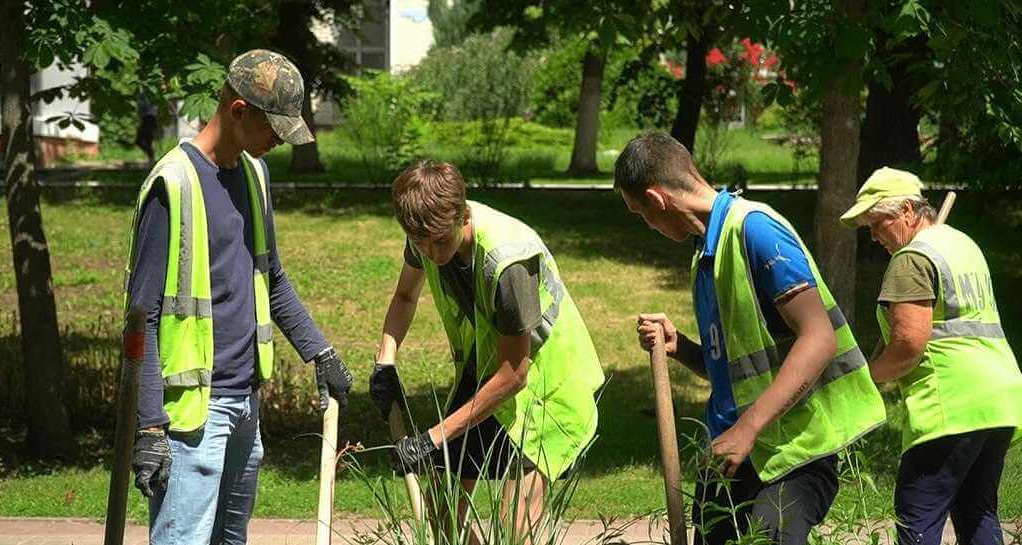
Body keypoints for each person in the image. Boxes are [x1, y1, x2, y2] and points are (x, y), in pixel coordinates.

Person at [123, 49, 353, 545]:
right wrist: (149, 428)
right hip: (192, 417)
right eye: (273, 128)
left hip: (246, 404)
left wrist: (320, 351)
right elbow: (143, 318)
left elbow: (270, 278)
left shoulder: (255, 175)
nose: (278, 142)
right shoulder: (173, 184)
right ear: (239, 111)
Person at [616, 131, 886, 545]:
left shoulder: (756, 231)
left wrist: (749, 428)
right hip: (731, 454)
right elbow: (738, 370)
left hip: (790, 453)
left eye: (640, 213)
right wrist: (681, 348)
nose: (646, 224)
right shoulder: (708, 252)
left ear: (657, 199)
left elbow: (819, 338)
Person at [369, 161, 604, 543]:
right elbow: (405, 295)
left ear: (463, 215)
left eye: (440, 242)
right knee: (442, 510)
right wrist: (386, 361)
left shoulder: (508, 261)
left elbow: (515, 375)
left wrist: (433, 438)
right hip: (487, 372)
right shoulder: (426, 234)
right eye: (420, 243)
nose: (430, 253)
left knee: (516, 524)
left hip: (546, 387)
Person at [840, 167, 1022, 545]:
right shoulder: (961, 243)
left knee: (917, 517)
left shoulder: (910, 259)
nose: (873, 236)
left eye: (877, 222)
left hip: (949, 405)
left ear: (907, 210)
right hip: (998, 399)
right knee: (977, 513)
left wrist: (863, 377)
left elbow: (907, 346)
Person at [135, 94, 159, 165]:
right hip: (145, 119)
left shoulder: (150, 95)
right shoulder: (141, 95)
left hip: (150, 119)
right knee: (139, 141)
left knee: (148, 141)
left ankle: (151, 159)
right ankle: (151, 158)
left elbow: (148, 109)